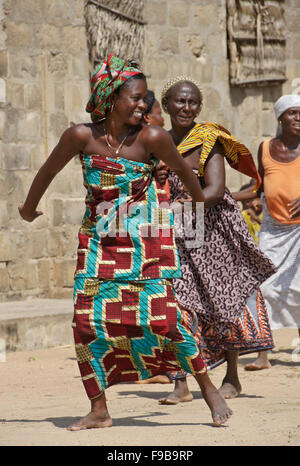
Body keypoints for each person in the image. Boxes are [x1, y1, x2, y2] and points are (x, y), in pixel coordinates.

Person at [18, 55, 233, 429]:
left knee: (165, 321)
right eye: (135, 98)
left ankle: (208, 388)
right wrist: (28, 208)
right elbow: (47, 171)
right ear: (111, 98)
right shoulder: (81, 136)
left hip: (145, 244)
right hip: (98, 245)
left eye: (144, 98)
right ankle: (99, 409)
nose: (142, 105)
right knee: (86, 324)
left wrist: (196, 203)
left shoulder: (153, 137)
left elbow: (186, 173)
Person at [156, 77, 276, 404]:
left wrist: (178, 207)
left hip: (212, 232)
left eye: (193, 102)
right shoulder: (156, 141)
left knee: (221, 303)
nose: (186, 108)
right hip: (174, 233)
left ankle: (232, 377)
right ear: (166, 105)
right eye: (180, 102)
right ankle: (180, 384)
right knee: (174, 305)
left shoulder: (209, 139)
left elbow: (214, 191)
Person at [243, 94, 300, 371]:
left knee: (298, 288)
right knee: (262, 287)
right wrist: (224, 196)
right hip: (273, 229)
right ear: (280, 118)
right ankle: (263, 352)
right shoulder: (265, 147)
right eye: (292, 113)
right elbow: (259, 185)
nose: (298, 118)